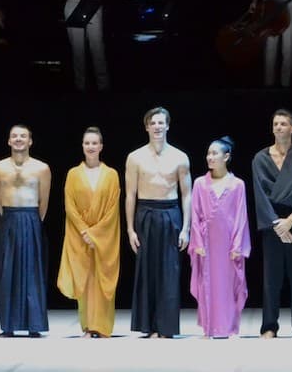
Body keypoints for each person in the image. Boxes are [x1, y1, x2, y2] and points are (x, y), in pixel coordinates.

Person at [125, 107, 192, 338]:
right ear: (146, 127)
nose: (157, 126)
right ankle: (149, 326)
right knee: (147, 271)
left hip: (170, 213)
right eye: (153, 123)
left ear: (168, 126)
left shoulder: (180, 157)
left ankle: (166, 327)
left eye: (161, 122)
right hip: (145, 213)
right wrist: (130, 228)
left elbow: (187, 194)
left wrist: (186, 228)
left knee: (169, 272)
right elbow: (130, 194)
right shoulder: (135, 157)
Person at [252, 109, 292, 339]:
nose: (278, 127)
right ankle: (269, 326)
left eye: (283, 123)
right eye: (275, 123)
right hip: (272, 224)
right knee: (272, 277)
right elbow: (260, 194)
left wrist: (291, 220)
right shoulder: (260, 158)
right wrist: (277, 226)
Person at [57, 127, 121, 338]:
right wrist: (85, 232)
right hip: (80, 236)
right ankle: (87, 326)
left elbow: (113, 209)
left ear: (101, 146)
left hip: (104, 238)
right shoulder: (73, 174)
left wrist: (96, 234)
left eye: (95, 143)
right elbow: (70, 206)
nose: (91, 147)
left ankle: (102, 327)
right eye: (87, 143)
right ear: (82, 146)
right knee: (85, 280)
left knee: (102, 281)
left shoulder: (111, 174)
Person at [0, 125, 51, 337]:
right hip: (8, 218)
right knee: (7, 272)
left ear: (30, 141)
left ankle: (34, 324)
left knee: (32, 271)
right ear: (8, 141)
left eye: (23, 136)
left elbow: (44, 202)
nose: (18, 139)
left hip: (32, 217)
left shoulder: (42, 168)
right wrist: (9, 218)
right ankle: (8, 325)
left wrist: (32, 221)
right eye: (14, 136)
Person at [188, 136, 251, 339]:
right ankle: (209, 327)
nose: (210, 157)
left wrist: (238, 245)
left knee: (230, 283)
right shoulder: (200, 183)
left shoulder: (238, 184)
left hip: (229, 242)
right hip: (206, 242)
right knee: (207, 282)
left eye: (214, 153)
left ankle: (231, 328)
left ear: (226, 156)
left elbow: (241, 215)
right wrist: (197, 241)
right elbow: (195, 213)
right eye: (208, 153)